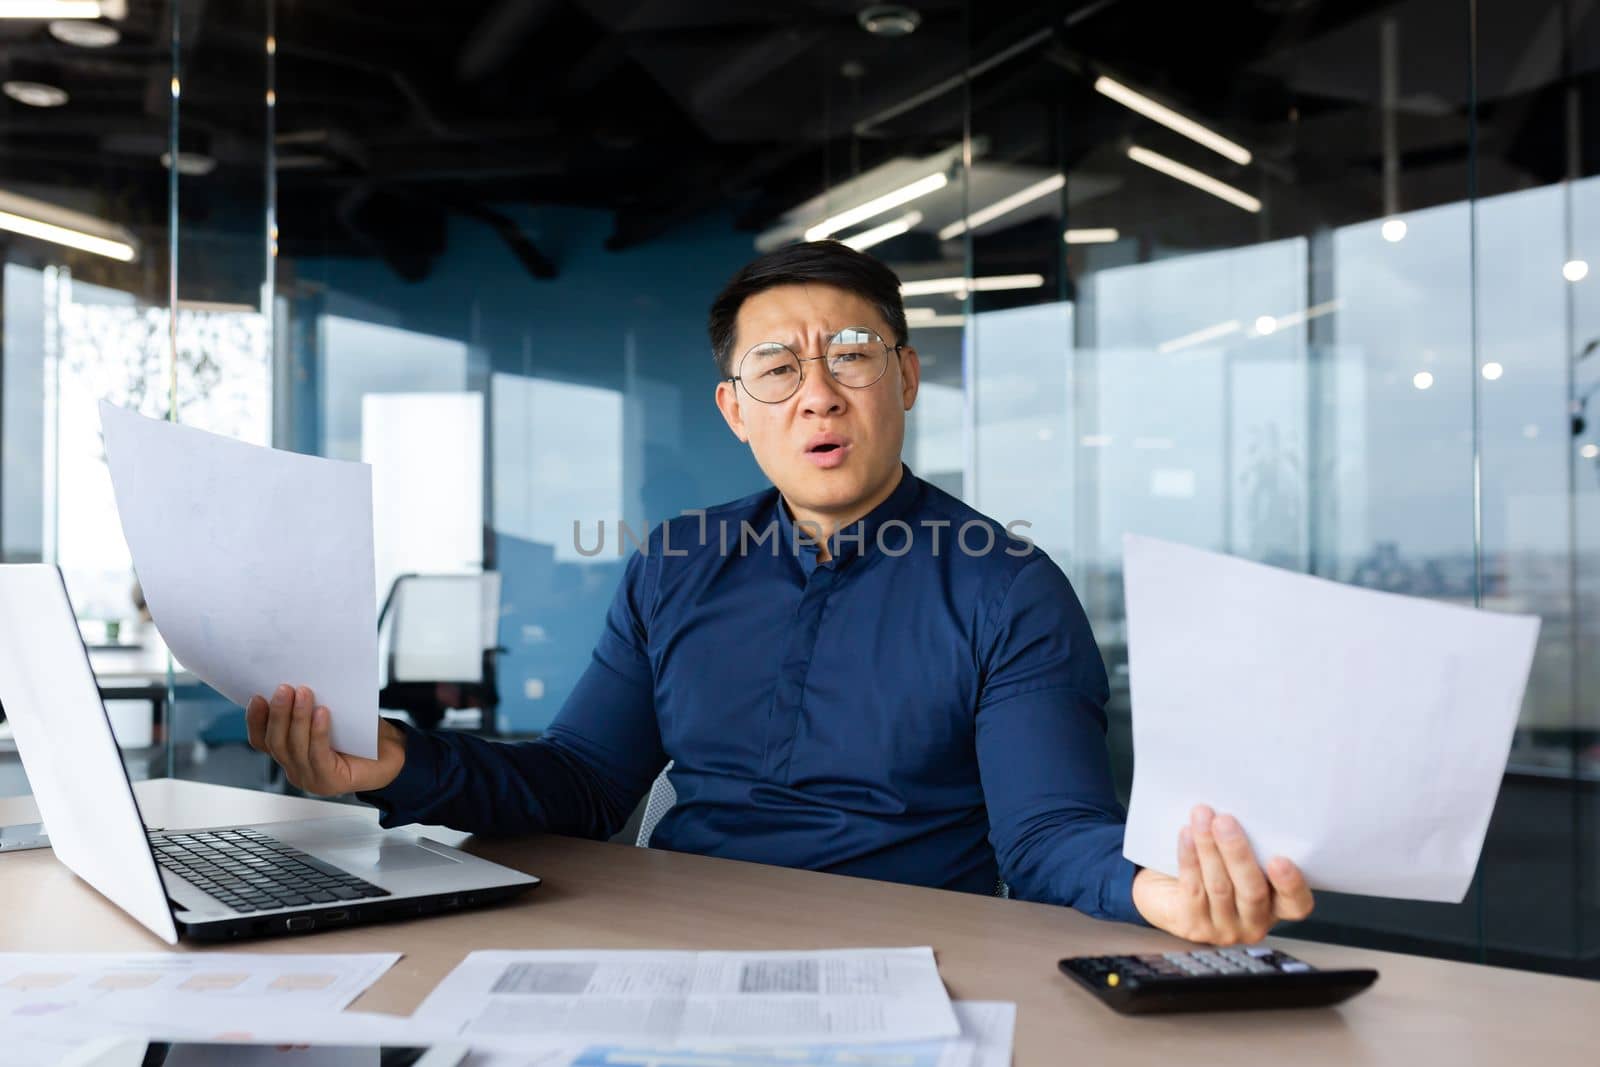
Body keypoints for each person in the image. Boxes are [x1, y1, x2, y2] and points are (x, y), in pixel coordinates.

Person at [248, 241, 1314, 945]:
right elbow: (580, 785)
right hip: (674, 940)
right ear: (734, 409)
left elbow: (1046, 836)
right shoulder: (676, 561)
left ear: (902, 378)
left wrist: (1162, 891)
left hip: (906, 954)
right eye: (776, 369)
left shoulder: (1009, 588)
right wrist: (392, 760)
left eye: (851, 355)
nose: (817, 391)